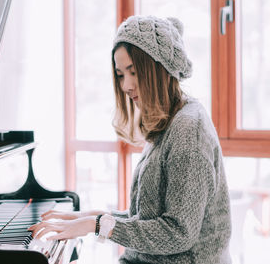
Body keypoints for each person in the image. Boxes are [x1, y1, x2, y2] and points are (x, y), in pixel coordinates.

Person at [29, 15, 232, 263]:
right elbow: (150, 218)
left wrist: (97, 225)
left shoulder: (189, 129)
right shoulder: (169, 121)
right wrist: (89, 217)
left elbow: (178, 233)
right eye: (120, 74)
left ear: (158, 68)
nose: (126, 85)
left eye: (133, 72)